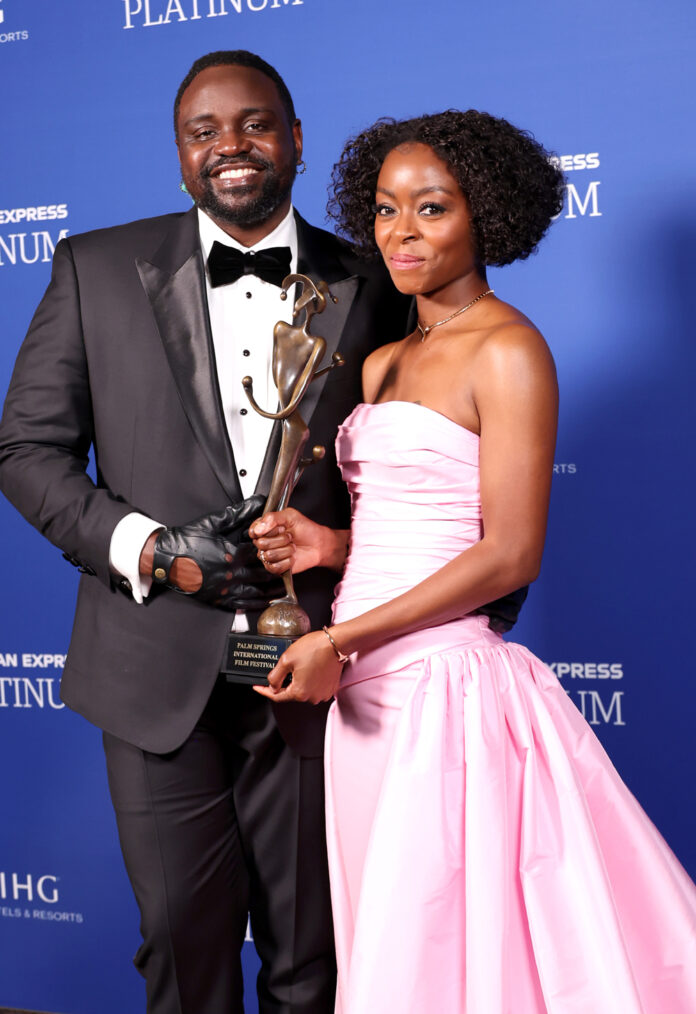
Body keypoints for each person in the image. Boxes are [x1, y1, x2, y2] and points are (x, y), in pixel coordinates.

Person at [250, 111, 696, 1013]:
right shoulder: (377, 364)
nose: (401, 233)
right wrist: (328, 546)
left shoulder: (510, 348)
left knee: (449, 944)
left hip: (443, 691)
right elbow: (411, 523)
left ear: (485, 216)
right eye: (383, 210)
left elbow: (507, 551)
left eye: (431, 208)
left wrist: (345, 636)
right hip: (361, 700)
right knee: (388, 939)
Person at [0, 50, 417, 1014]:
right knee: (182, 953)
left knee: (316, 955)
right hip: (150, 669)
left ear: (298, 138)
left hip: (323, 670)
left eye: (256, 124)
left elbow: (415, 464)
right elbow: (25, 450)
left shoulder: (373, 279)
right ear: (181, 155)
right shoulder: (94, 268)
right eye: (205, 132)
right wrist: (153, 549)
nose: (232, 147)